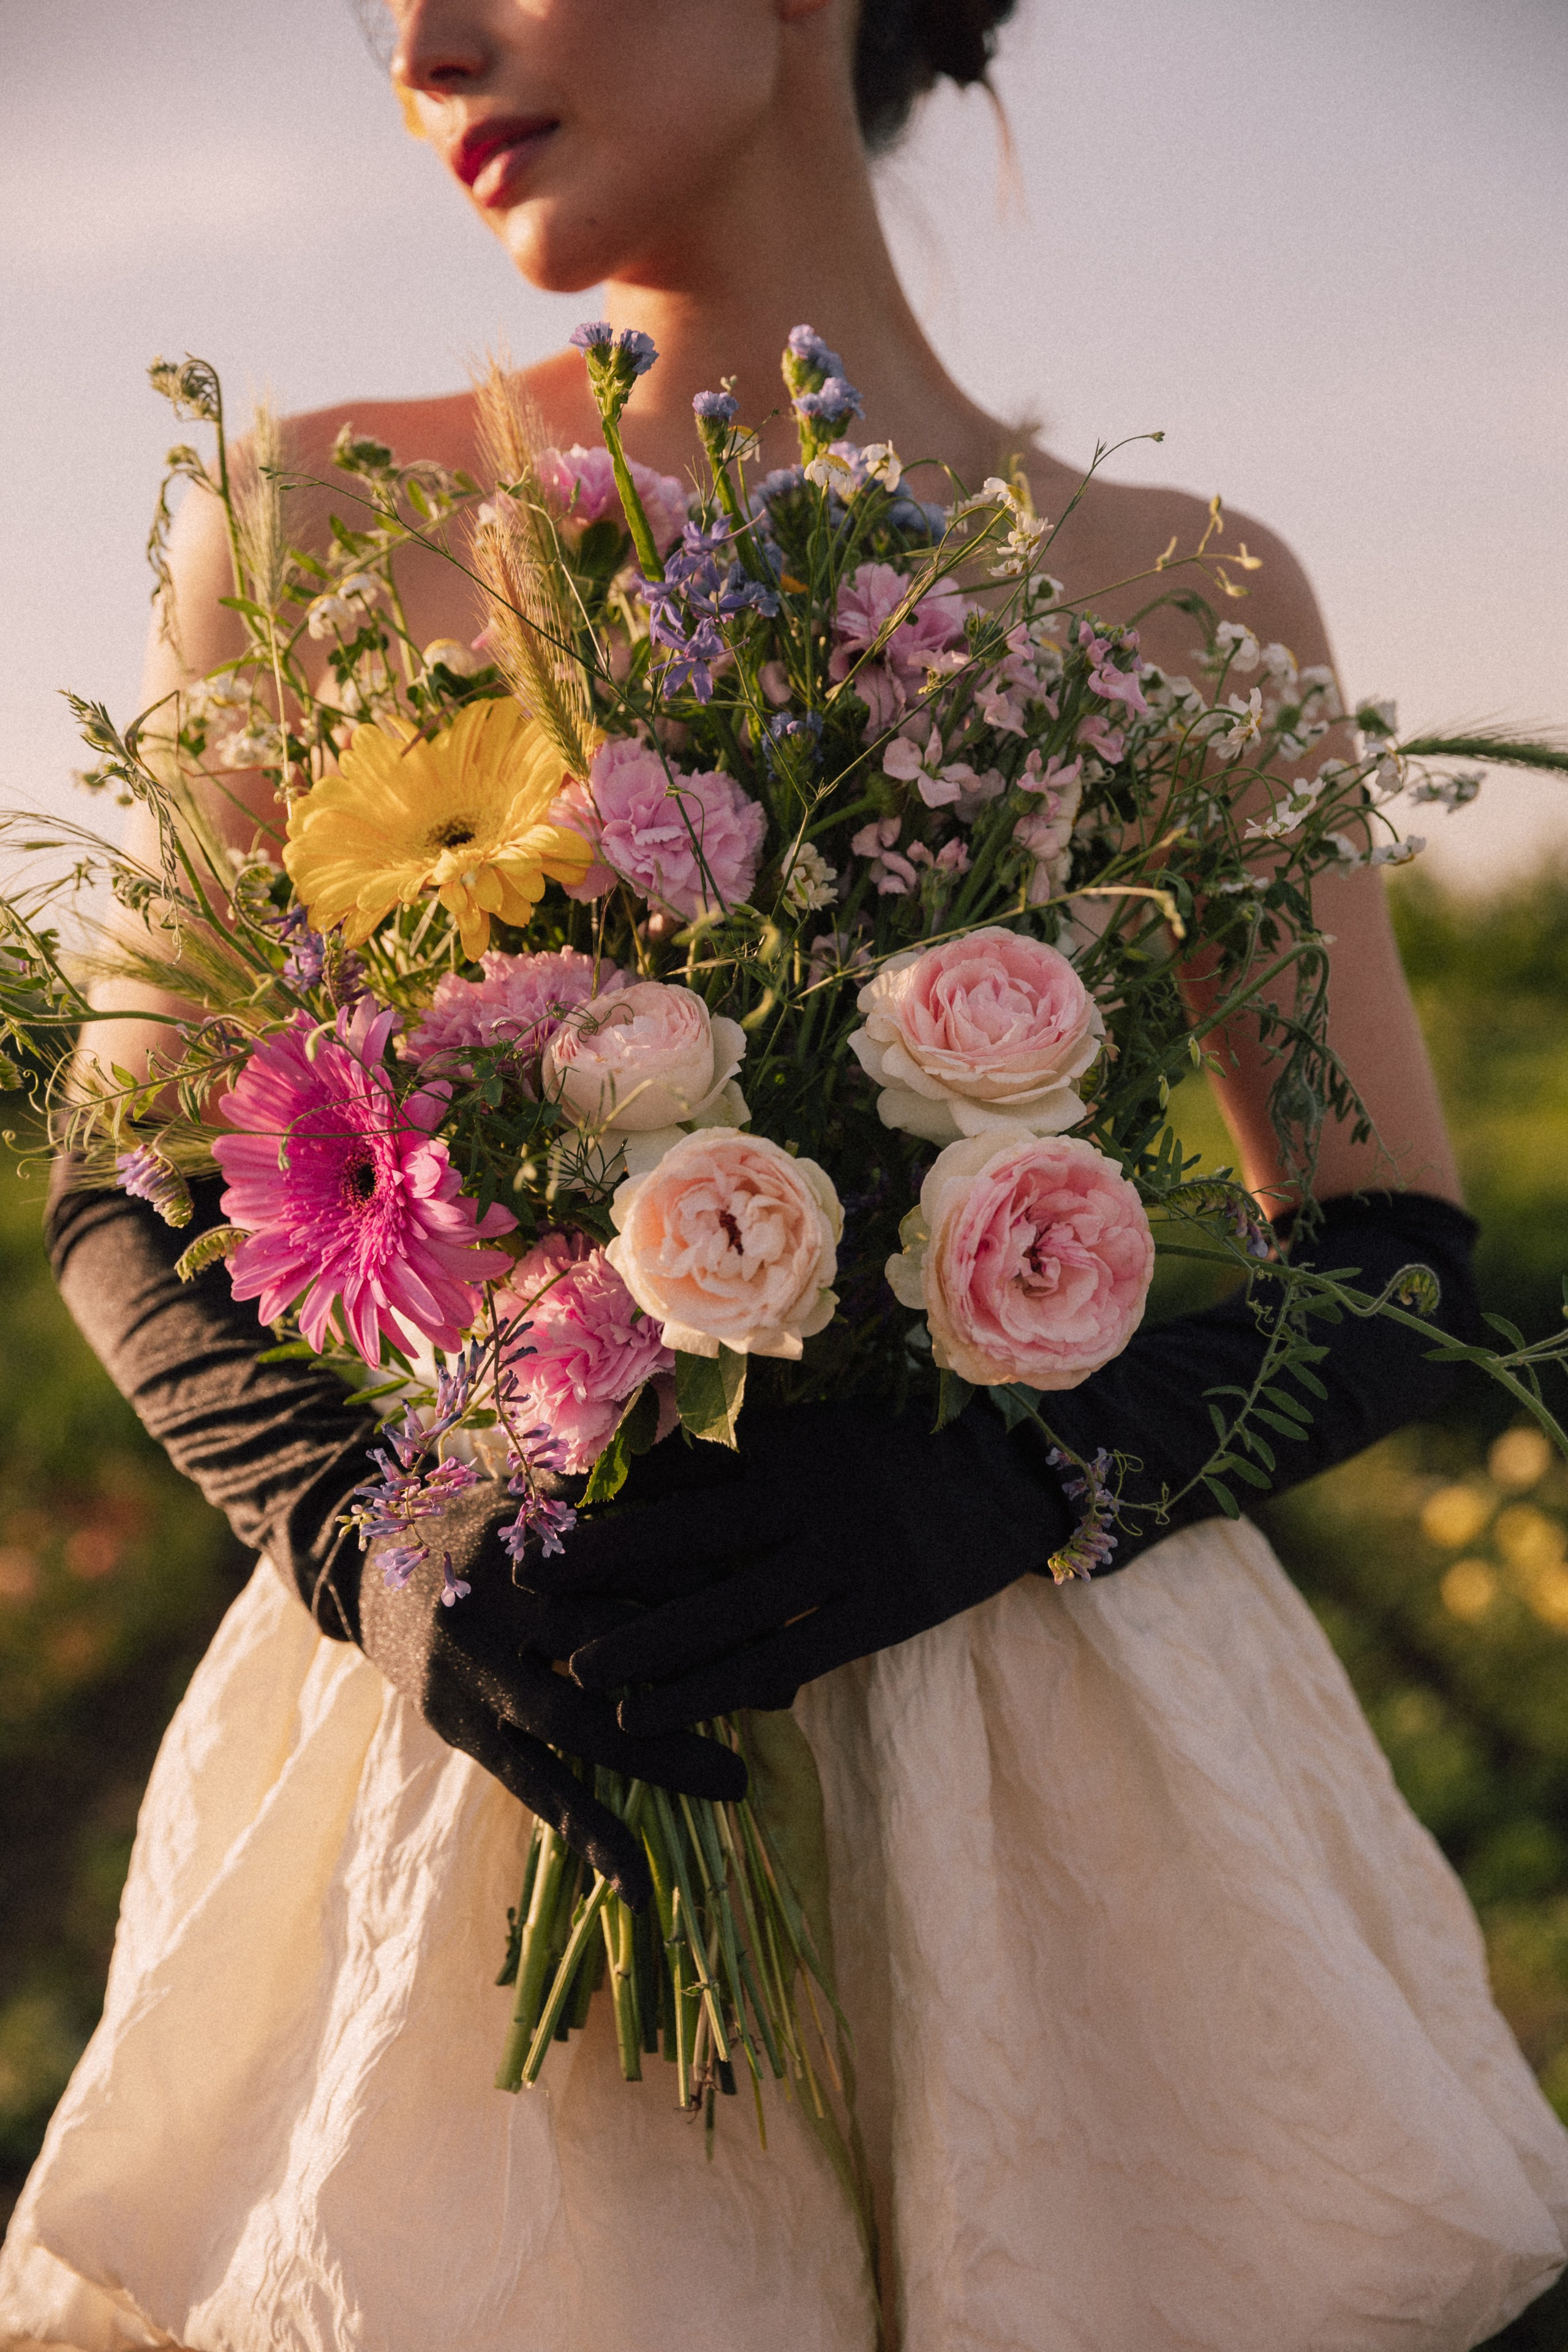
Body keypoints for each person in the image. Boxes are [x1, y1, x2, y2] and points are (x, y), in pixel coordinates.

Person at [3, 3, 1567, 2346]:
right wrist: (370, 1540)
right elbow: (123, 1189)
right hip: (496, 1725)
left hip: (1063, 1783)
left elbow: (1394, 1254)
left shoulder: (1188, 583)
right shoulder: (314, 515)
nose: (423, 41)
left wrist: (984, 1499)